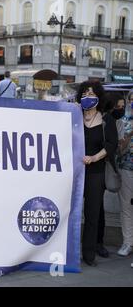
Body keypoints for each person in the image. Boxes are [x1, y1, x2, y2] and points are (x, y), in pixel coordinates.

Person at [77, 81, 118, 267]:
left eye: (92, 94)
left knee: (92, 214)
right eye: (85, 93)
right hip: (75, 172)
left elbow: (111, 145)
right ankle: (70, 250)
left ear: (99, 97)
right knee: (73, 212)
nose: (88, 97)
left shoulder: (106, 120)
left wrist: (94, 158)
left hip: (96, 173)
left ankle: (89, 254)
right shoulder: (74, 116)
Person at [95, 93, 126, 258]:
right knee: (96, 207)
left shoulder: (116, 122)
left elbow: (117, 148)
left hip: (103, 168)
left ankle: (98, 242)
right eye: (118, 106)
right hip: (94, 167)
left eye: (123, 106)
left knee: (98, 207)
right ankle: (96, 242)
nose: (120, 109)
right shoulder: (101, 120)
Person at [117, 91, 133, 257]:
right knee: (126, 207)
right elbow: (119, 151)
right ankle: (127, 242)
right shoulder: (122, 122)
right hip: (127, 168)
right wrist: (129, 135)